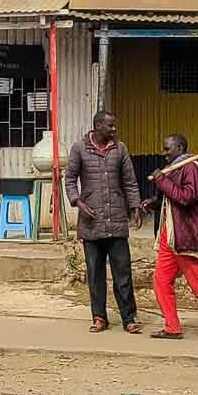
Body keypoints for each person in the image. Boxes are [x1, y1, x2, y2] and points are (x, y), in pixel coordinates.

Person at [144, 134, 198, 342]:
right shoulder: (175, 168)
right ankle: (172, 327)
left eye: (167, 149)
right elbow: (170, 198)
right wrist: (153, 203)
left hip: (185, 235)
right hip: (170, 234)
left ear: (180, 148)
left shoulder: (191, 167)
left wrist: (160, 179)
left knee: (197, 282)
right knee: (161, 280)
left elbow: (187, 197)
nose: (164, 153)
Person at [64, 111, 144, 334]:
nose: (114, 129)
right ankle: (99, 317)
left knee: (123, 274)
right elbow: (69, 179)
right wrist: (78, 202)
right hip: (91, 223)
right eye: (110, 126)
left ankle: (129, 318)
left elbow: (130, 181)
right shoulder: (79, 148)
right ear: (98, 126)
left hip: (116, 221)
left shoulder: (120, 149)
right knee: (95, 274)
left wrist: (135, 207)